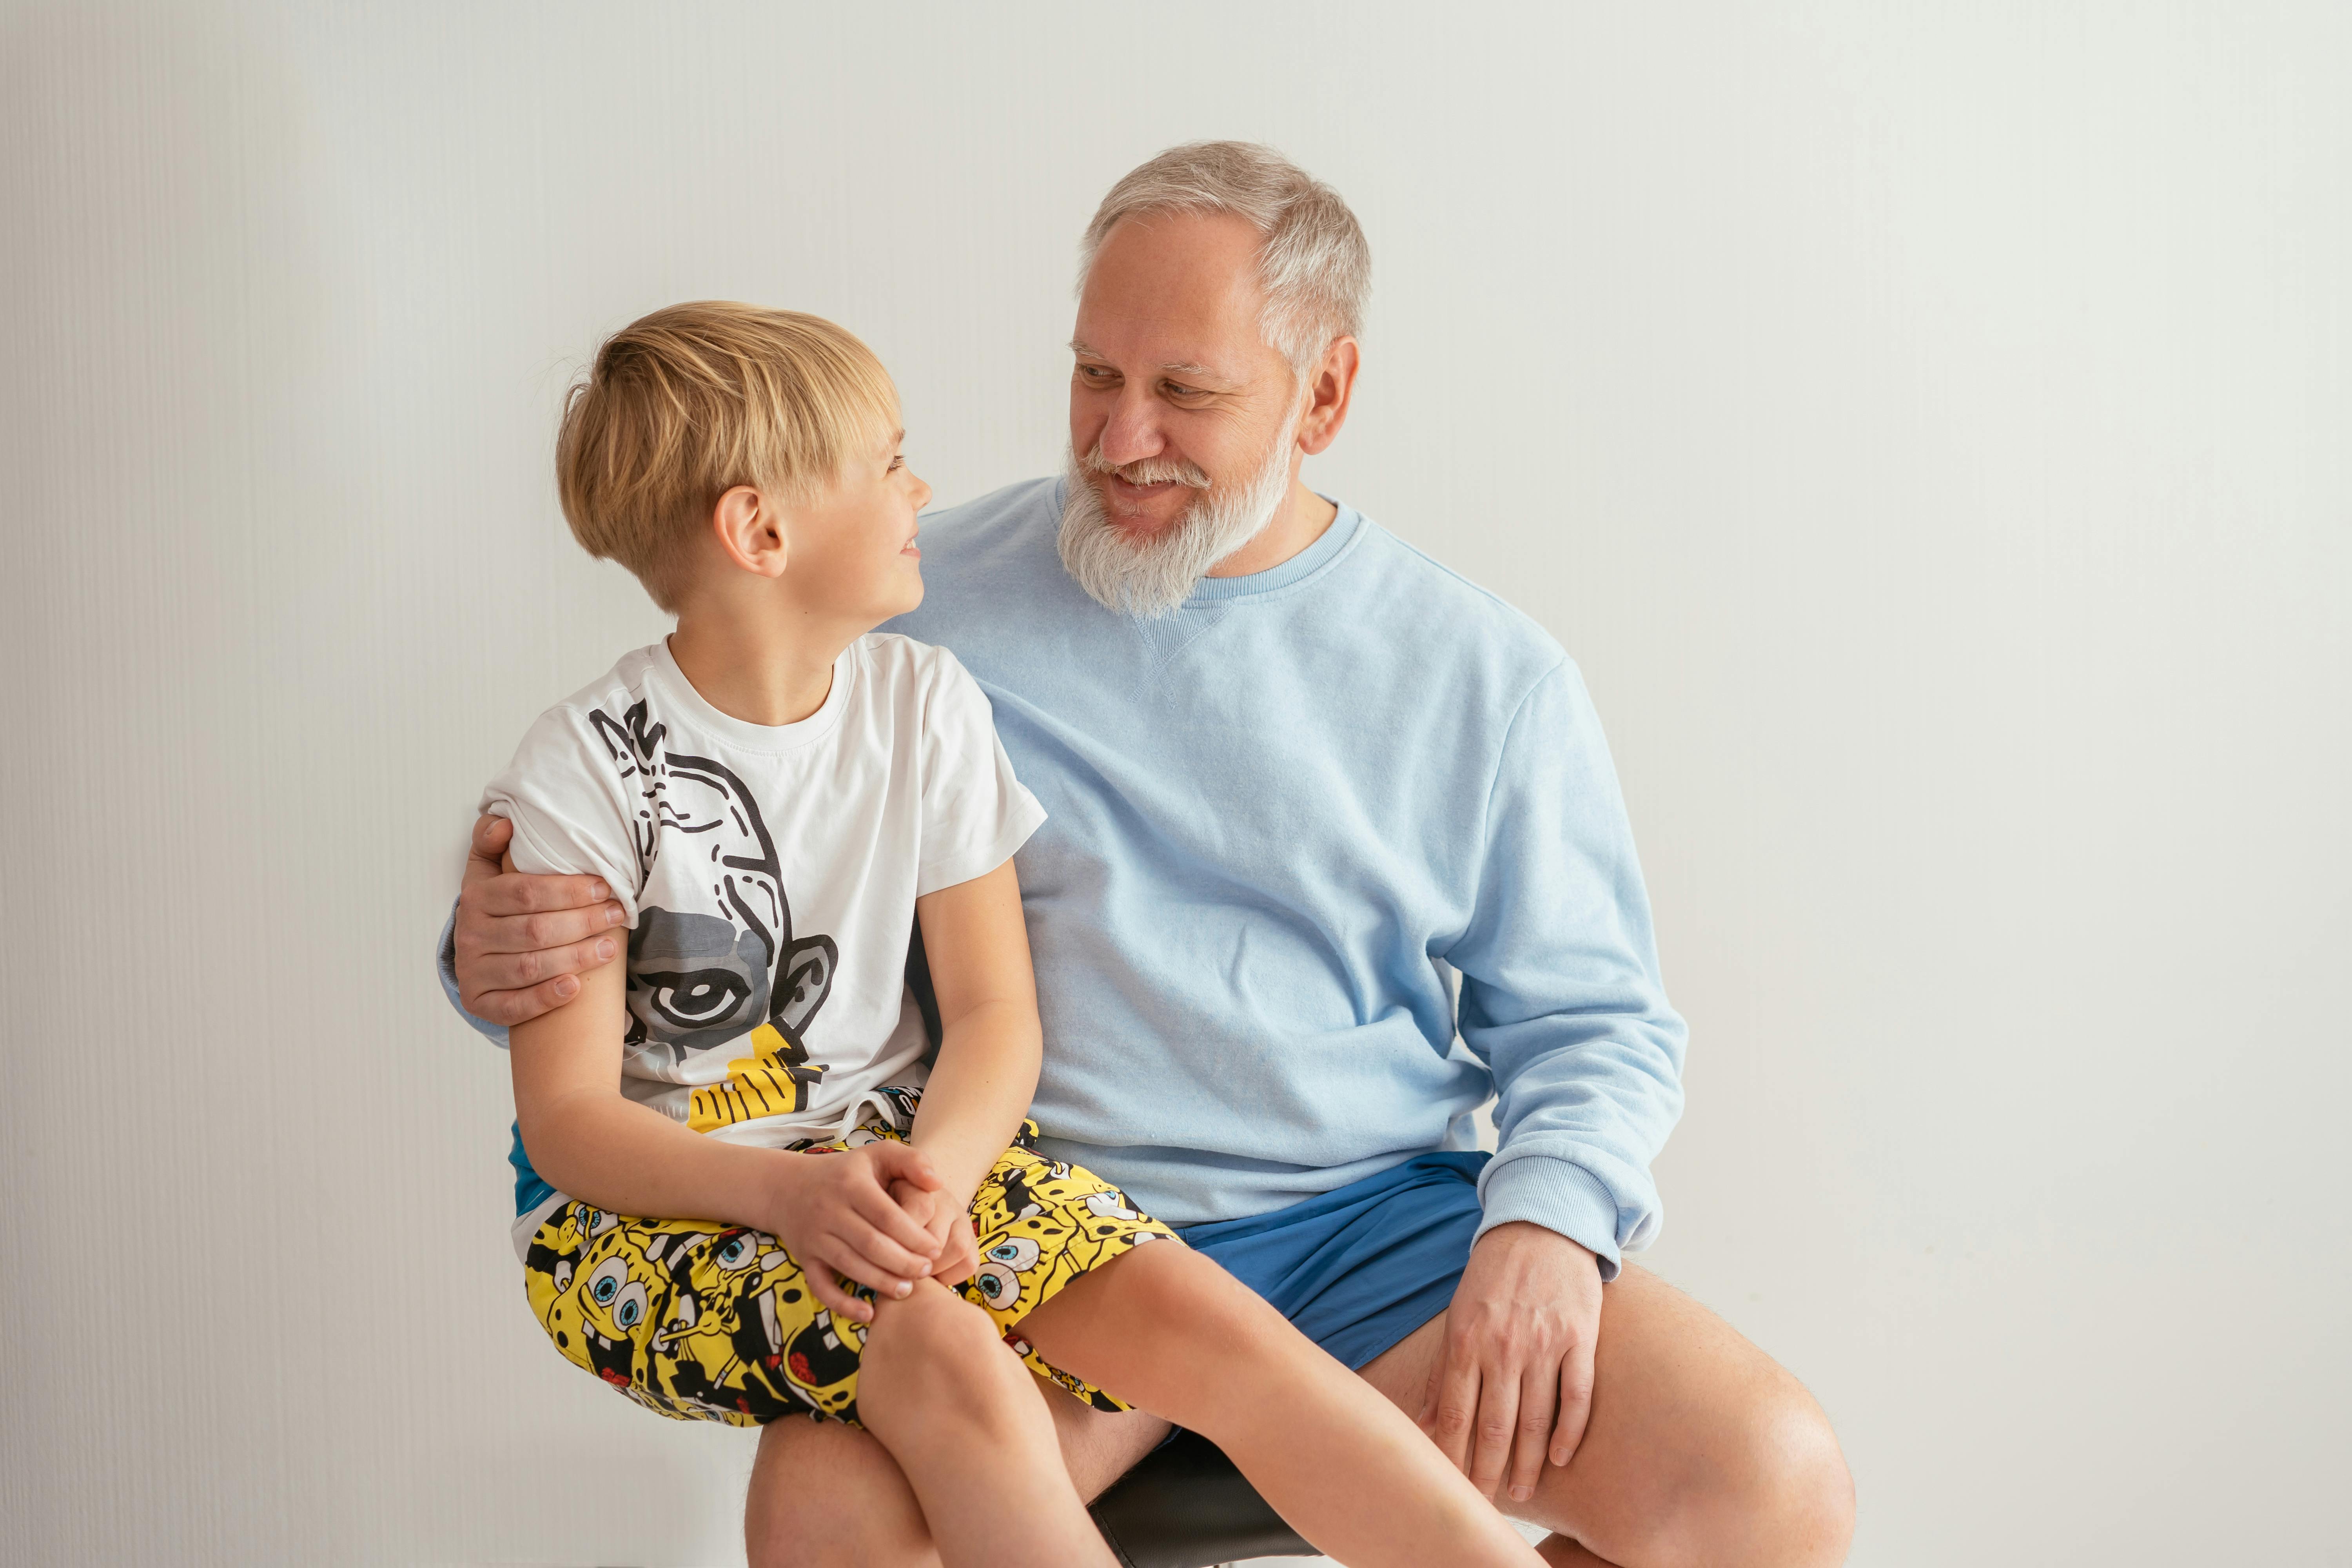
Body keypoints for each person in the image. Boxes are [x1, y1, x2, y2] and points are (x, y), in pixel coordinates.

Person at [448, 146, 1857, 1567]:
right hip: (1032, 1225)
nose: (1121, 439)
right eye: (1092, 377)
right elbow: (698, 833)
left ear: (1325, 395)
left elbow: (1595, 1024)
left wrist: (1550, 1230)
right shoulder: (905, 602)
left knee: (1770, 1486)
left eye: (1186, 392)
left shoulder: (1486, 678)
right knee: (831, 1518)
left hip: (1370, 1233)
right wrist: (497, 941)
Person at [479, 299, 1547, 1568]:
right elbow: (570, 1126)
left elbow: (994, 1015)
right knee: (936, 1343)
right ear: (760, 530)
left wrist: (931, 1178)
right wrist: (796, 1196)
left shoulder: (925, 704)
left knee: (1210, 1326)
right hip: (650, 1222)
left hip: (908, 1162)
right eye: (886, 464)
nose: (919, 485)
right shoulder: (579, 774)